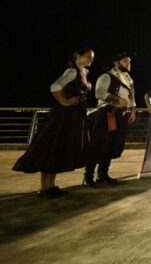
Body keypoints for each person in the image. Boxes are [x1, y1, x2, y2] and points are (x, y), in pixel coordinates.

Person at [13, 48, 94, 198]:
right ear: (77, 56)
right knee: (53, 148)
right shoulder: (72, 72)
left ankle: (50, 186)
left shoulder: (82, 72)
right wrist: (64, 102)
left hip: (73, 115)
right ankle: (45, 188)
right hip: (64, 116)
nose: (91, 59)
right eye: (88, 56)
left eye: (92, 57)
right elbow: (55, 87)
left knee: (59, 149)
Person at [83, 51, 137, 185]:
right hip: (107, 114)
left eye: (129, 61)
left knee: (112, 144)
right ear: (116, 63)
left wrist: (133, 110)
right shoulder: (107, 76)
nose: (128, 64)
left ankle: (103, 174)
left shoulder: (129, 78)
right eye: (125, 61)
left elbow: (131, 96)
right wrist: (117, 99)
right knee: (98, 144)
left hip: (121, 115)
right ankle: (88, 176)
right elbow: (99, 93)